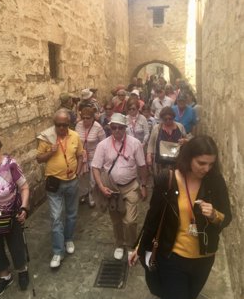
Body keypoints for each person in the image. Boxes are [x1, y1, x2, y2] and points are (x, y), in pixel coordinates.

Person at [129, 135, 232, 299]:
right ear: (189, 158)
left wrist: (214, 215)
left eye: (211, 164)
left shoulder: (215, 181)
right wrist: (140, 246)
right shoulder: (168, 179)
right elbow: (153, 217)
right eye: (201, 163)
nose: (206, 169)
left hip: (204, 259)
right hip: (173, 257)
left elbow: (227, 218)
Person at [91, 113, 148, 260]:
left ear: (125, 128)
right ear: (110, 128)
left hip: (130, 187)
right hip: (112, 189)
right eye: (114, 127)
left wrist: (143, 184)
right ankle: (119, 244)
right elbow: (96, 167)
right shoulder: (102, 145)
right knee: (116, 220)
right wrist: (101, 187)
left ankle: (131, 244)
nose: (117, 130)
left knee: (130, 221)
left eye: (120, 128)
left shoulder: (135, 143)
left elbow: (142, 166)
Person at [36, 109, 83, 268]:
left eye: (65, 125)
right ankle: (58, 251)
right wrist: (50, 152)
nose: (62, 128)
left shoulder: (75, 136)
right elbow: (38, 159)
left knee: (71, 214)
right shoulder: (47, 137)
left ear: (69, 124)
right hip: (54, 184)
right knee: (56, 218)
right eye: (58, 125)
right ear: (54, 124)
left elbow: (80, 155)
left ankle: (68, 239)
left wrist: (78, 171)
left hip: (72, 181)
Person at [0, 134, 30, 298]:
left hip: (11, 211)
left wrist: (24, 208)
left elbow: (24, 187)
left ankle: (22, 270)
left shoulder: (10, 164)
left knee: (15, 243)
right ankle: (5, 276)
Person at [75, 107, 106, 207]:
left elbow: (103, 143)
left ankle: (92, 197)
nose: (85, 120)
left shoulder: (98, 127)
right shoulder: (78, 126)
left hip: (94, 156)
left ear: (92, 118)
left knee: (93, 179)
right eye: (83, 117)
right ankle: (84, 194)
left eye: (88, 118)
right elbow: (75, 140)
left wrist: (103, 158)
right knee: (82, 177)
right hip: (82, 157)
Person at [147, 107, 186, 176]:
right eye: (165, 119)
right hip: (160, 162)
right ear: (162, 119)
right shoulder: (156, 128)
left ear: (173, 117)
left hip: (176, 162)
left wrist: (184, 141)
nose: (168, 121)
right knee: (160, 181)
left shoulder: (180, 127)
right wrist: (149, 155)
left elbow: (186, 140)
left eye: (170, 119)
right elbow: (151, 143)